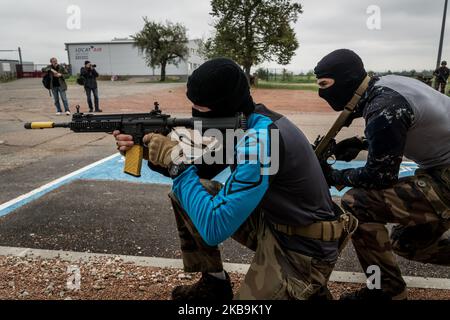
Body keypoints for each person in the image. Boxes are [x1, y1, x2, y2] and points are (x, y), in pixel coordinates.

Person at [114, 58, 355, 300]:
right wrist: (151, 156)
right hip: (275, 223)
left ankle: (310, 285)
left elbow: (214, 228)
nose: (195, 117)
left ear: (226, 107)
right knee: (187, 192)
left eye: (202, 109)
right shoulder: (248, 119)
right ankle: (214, 283)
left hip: (304, 246)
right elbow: (202, 171)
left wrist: (175, 162)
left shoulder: (259, 141)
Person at [314, 49, 450, 300]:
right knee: (406, 243)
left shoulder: (383, 106)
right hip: (440, 171)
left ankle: (386, 291)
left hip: (445, 177)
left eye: (324, 84)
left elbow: (380, 177)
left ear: (346, 80)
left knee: (356, 203)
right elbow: (403, 126)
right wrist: (362, 143)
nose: (321, 92)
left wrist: (332, 176)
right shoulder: (384, 85)